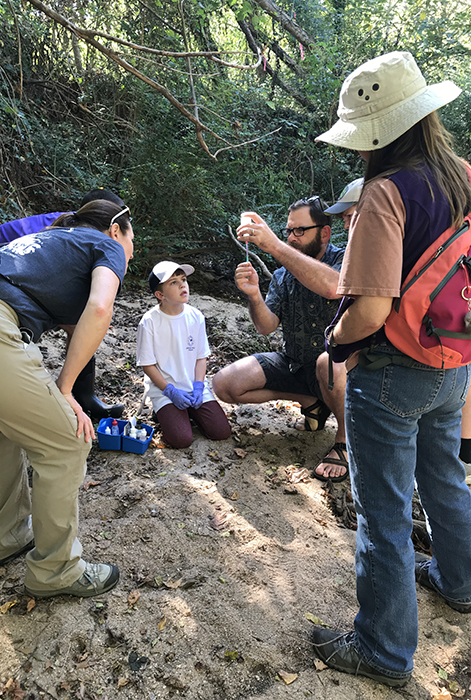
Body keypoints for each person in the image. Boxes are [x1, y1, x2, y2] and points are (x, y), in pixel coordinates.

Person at [311, 51, 471, 687]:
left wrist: (337, 343)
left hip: (392, 371)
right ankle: (460, 583)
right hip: (452, 362)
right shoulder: (462, 175)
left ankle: (382, 649)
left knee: (383, 509)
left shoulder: (384, 192)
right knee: (446, 480)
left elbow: (371, 309)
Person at [0, 200, 134, 597]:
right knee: (66, 442)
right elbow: (99, 308)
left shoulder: (50, 239)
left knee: (8, 433)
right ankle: (56, 570)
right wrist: (64, 391)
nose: (133, 251)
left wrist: (71, 389)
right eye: (134, 240)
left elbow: (70, 323)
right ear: (117, 230)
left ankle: (8, 537)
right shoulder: (105, 245)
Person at [212, 198, 349, 481]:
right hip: (293, 363)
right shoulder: (282, 275)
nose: (290, 238)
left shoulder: (344, 259)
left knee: (327, 363)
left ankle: (345, 442)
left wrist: (274, 245)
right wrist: (253, 294)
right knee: (225, 385)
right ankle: (312, 400)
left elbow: (333, 287)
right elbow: (266, 326)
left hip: (339, 369)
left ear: (324, 233)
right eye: (288, 231)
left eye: (300, 231)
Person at [0, 189, 127, 420]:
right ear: (111, 226)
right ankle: (77, 393)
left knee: (79, 321)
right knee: (80, 325)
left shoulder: (79, 225)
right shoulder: (66, 227)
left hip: (3, 279)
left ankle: (82, 394)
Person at [136, 261, 231, 449]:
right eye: (173, 282)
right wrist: (170, 391)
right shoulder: (149, 322)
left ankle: (188, 412)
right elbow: (148, 365)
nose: (182, 285)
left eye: (184, 279)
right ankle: (165, 412)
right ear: (160, 295)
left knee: (220, 432)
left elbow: (200, 357)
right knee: (181, 439)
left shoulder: (196, 316)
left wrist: (198, 385)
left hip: (193, 385)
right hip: (165, 388)